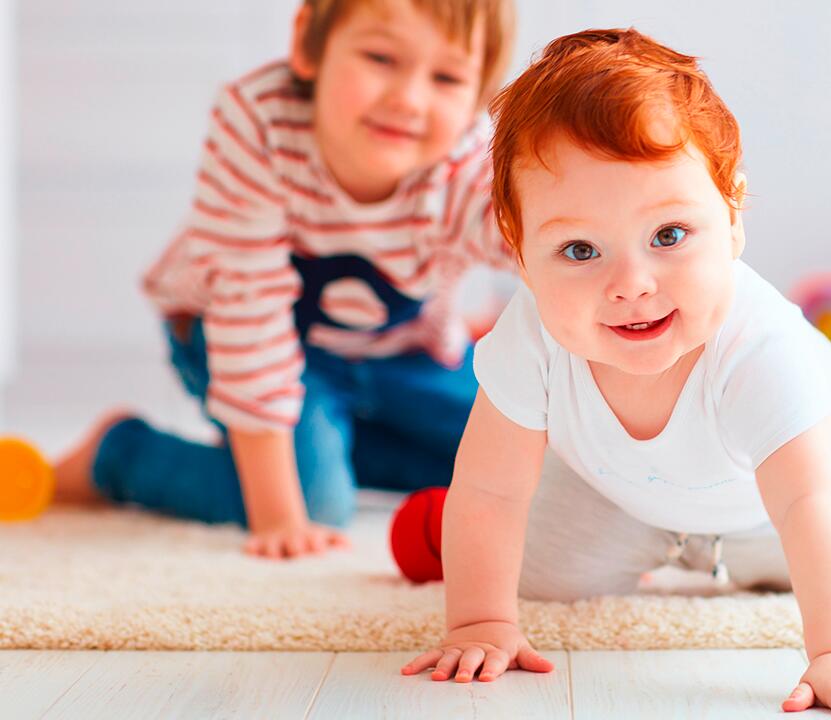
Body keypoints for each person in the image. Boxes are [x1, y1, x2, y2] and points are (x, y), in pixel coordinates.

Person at [399, 28, 831, 718]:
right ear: (519, 255)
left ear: (732, 216)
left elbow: (810, 506)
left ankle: (777, 588)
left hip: (775, 515)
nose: (631, 285)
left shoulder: (765, 353)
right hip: (623, 498)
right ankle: (428, 525)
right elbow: (488, 488)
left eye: (668, 236)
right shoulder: (532, 333)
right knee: (534, 575)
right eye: (579, 249)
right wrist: (479, 622)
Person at [49, 0, 516, 560]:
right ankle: (119, 455)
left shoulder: (469, 160)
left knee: (502, 461)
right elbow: (249, 318)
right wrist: (278, 514)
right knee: (314, 505)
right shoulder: (259, 126)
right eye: (380, 57)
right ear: (309, 44)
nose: (409, 99)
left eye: (446, 77)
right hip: (240, 335)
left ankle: (329, 438)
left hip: (393, 350)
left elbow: (535, 243)